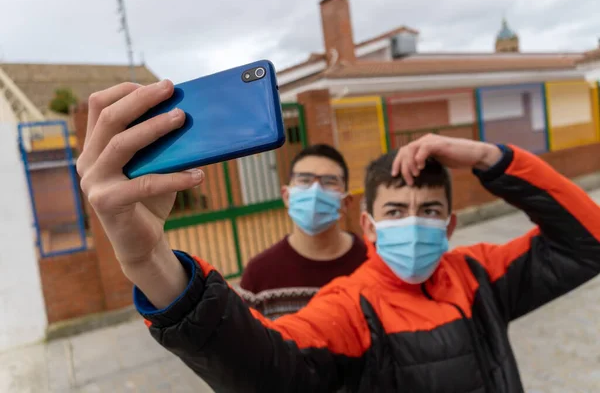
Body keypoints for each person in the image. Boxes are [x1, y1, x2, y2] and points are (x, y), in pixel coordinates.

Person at [77, 81, 600, 392]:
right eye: (396, 210)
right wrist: (149, 261)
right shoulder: (351, 305)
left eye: (429, 211)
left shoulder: (479, 274)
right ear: (369, 225)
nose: (414, 222)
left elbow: (587, 243)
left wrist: (493, 158)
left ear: (451, 225)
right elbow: (268, 368)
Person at [237, 144, 367, 318]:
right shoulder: (259, 275)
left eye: (329, 182)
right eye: (304, 180)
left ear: (346, 202)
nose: (315, 192)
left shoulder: (371, 263)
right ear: (286, 196)